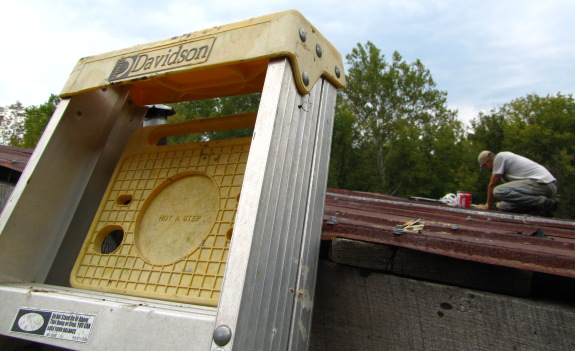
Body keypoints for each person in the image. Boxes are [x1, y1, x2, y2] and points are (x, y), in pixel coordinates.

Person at [476, 150, 558, 217]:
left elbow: (492, 185)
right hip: (539, 186)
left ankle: (543, 202)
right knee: (503, 206)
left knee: (498, 191)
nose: (486, 170)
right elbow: (516, 194)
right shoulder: (505, 172)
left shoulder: (499, 157)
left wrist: (487, 206)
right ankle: (541, 210)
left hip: (543, 183)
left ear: (487, 164)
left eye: (484, 167)